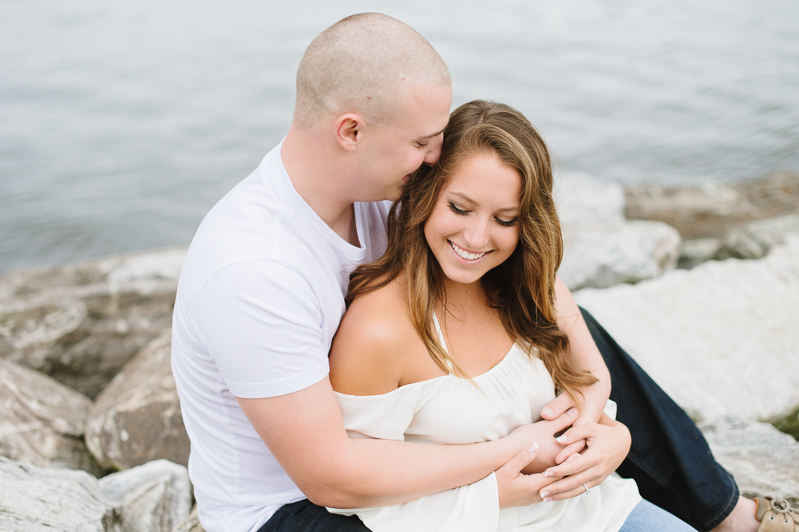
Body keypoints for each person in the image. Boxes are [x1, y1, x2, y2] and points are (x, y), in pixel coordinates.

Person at [170, 12, 787, 532]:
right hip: (297, 508)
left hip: (391, 447)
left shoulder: (385, 191)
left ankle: (723, 511)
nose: (436, 157)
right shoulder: (251, 267)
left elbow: (544, 286)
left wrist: (594, 403)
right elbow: (333, 475)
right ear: (350, 131)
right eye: (423, 142)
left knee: (550, 316)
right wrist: (506, 461)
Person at [325, 99, 696, 532]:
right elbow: (358, 488)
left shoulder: (530, 284)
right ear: (426, 195)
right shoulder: (379, 331)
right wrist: (491, 495)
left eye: (505, 219)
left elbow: (589, 381)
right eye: (460, 208)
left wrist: (615, 439)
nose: (477, 238)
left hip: (593, 511)